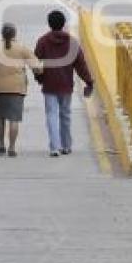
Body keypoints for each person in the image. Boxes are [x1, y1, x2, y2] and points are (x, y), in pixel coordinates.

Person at [34, 10, 94, 157]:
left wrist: (40, 78)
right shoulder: (72, 42)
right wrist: (88, 81)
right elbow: (81, 65)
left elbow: (35, 63)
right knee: (65, 114)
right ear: (63, 24)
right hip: (66, 85)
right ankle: (66, 146)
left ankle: (54, 147)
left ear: (49, 24)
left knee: (51, 115)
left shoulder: (42, 41)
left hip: (49, 85)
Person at [0, 23, 41, 157]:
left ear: (2, 34)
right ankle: (12, 147)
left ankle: (0, 145)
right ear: (15, 34)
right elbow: (38, 68)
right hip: (17, 88)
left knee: (0, 116)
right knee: (14, 119)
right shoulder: (22, 48)